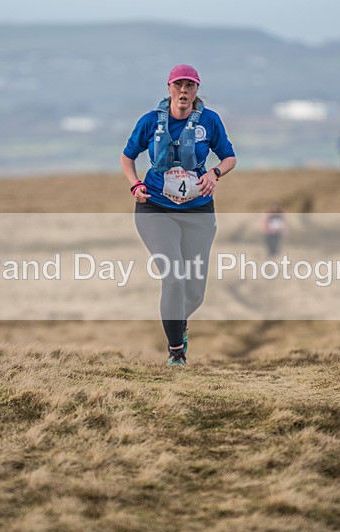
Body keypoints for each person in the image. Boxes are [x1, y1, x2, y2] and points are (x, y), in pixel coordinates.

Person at [120, 64, 236, 366]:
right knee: (173, 279)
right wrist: (135, 185)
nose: (183, 91)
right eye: (178, 85)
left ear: (197, 91)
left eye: (190, 86)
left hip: (197, 210)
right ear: (169, 88)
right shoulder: (150, 122)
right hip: (155, 208)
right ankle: (176, 353)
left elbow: (229, 157)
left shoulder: (209, 121)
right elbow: (127, 156)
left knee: (195, 292)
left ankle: (178, 324)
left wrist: (214, 172)